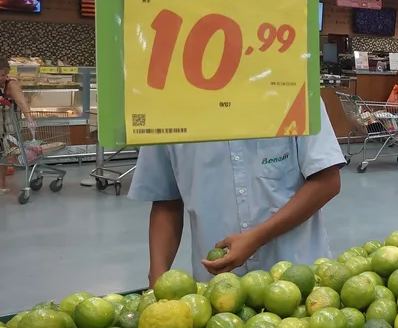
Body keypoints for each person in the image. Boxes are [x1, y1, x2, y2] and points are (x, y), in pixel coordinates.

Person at [129, 100, 346, 284]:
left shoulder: (292, 89)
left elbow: (326, 181)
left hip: (299, 278)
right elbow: (166, 202)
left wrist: (257, 237)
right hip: (217, 289)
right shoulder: (167, 106)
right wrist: (157, 279)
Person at [0, 60, 32, 194]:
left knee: (3, 155)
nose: (0, 78)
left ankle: (1, 183)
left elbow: (21, 101)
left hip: (5, 126)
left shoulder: (11, 84)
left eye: (3, 75)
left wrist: (30, 119)